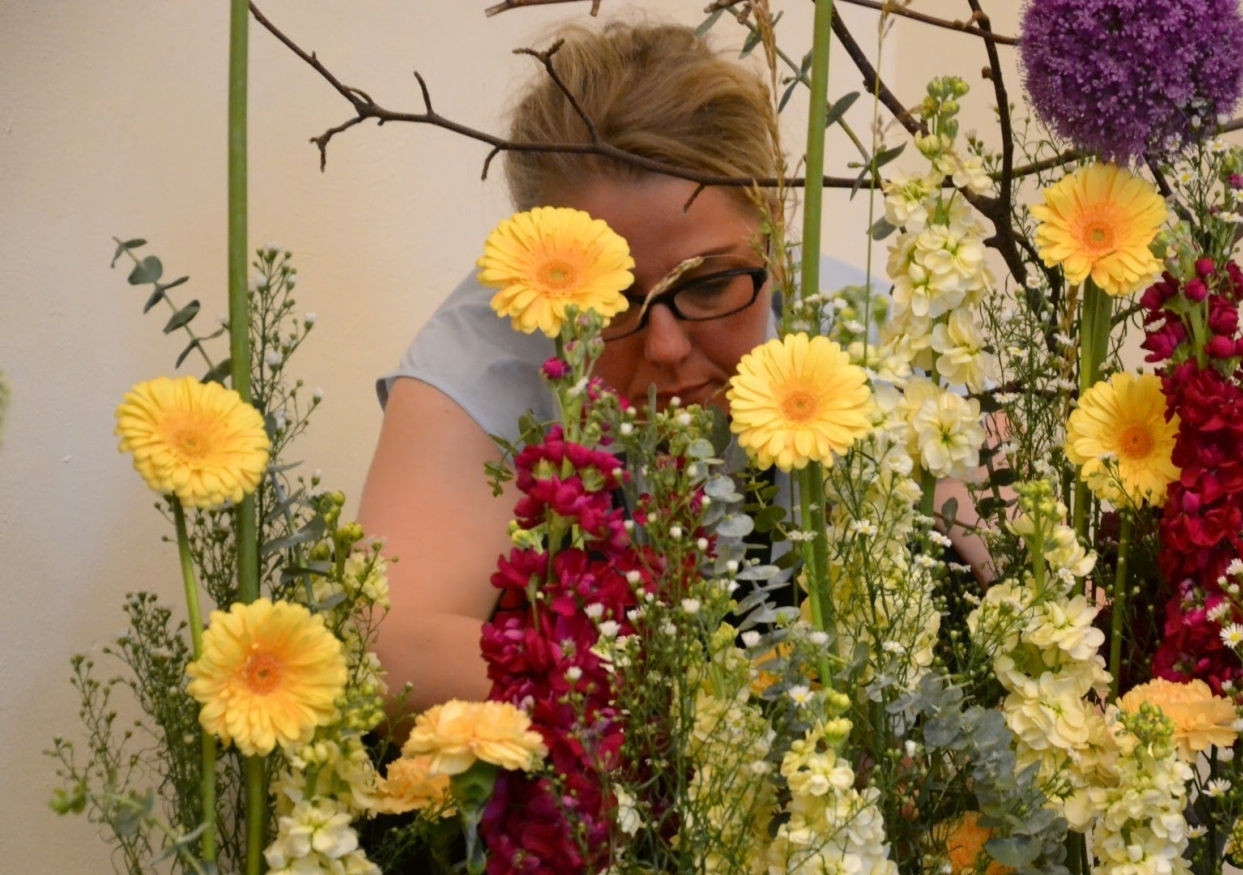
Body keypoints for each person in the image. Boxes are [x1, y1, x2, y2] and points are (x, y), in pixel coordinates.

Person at [360, 18, 987, 718]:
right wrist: (700, 716)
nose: (664, 346)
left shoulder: (879, 346)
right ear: (542, 269)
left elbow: (1017, 576)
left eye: (710, 285)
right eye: (613, 299)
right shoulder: (481, 354)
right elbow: (388, 651)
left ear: (776, 231)